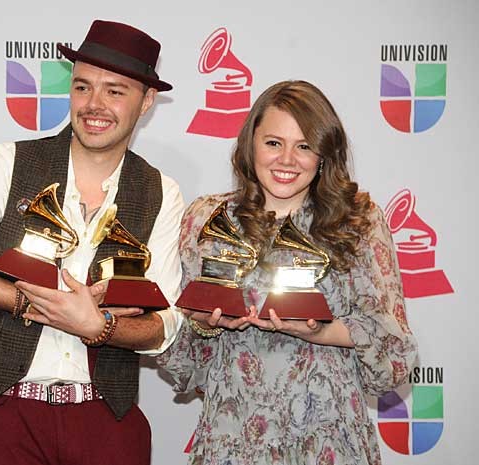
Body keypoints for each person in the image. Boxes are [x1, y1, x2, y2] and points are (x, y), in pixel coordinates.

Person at [0, 20, 184, 465]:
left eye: (115, 91)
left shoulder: (160, 191)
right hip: (4, 414)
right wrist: (31, 302)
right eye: (83, 87)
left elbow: (165, 321)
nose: (94, 105)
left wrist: (99, 328)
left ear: (147, 100)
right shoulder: (10, 162)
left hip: (107, 421)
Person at [157, 80, 418, 465]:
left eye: (304, 146)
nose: (287, 160)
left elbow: (394, 348)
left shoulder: (359, 220)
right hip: (233, 435)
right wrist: (205, 324)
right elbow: (182, 359)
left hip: (329, 435)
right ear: (251, 145)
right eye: (273, 143)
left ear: (324, 154)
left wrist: (320, 331)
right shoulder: (206, 218)